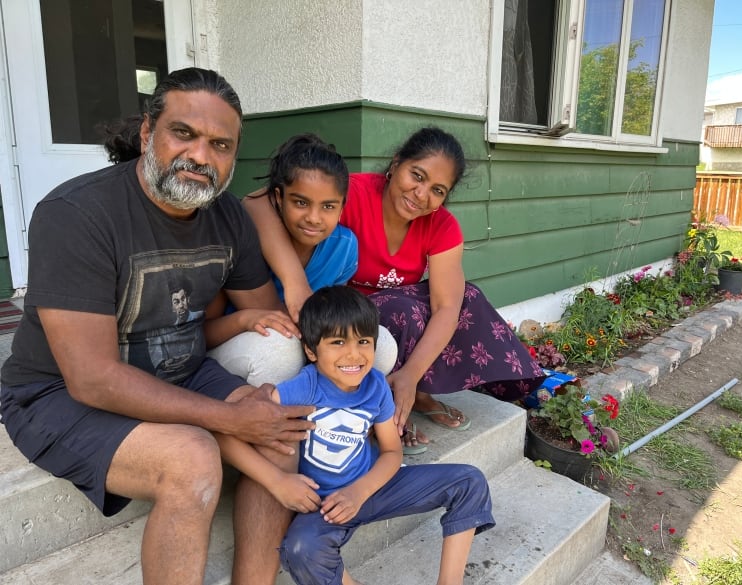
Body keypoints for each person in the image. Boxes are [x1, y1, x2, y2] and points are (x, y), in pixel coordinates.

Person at [0, 68, 315, 585]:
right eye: (184, 133)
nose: (200, 157)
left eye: (220, 144)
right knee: (191, 460)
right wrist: (226, 418)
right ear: (148, 134)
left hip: (181, 370)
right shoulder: (77, 213)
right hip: (56, 394)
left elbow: (268, 318)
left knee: (279, 427)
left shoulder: (228, 217)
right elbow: (93, 378)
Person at [251, 126, 545, 451]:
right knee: (400, 310)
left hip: (389, 321)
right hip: (345, 314)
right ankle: (385, 411)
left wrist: (411, 375)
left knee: (466, 297)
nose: (421, 194)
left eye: (438, 190)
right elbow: (258, 203)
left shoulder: (442, 225)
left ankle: (412, 391)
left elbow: (447, 305)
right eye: (416, 176)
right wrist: (296, 284)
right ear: (396, 164)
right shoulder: (355, 192)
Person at [221, 285, 495, 585]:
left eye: (363, 341)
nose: (354, 354)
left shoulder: (376, 386)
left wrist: (360, 491)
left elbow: (392, 451)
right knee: (302, 548)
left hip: (371, 487)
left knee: (469, 481)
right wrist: (278, 481)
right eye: (338, 342)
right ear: (312, 351)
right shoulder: (301, 388)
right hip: (323, 505)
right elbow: (226, 433)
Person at [205, 133, 397, 385]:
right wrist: (246, 319)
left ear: (342, 207)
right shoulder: (245, 238)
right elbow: (204, 333)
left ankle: (337, 413)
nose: (314, 218)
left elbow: (332, 320)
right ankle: (266, 417)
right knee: (280, 349)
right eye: (301, 202)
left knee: (379, 343)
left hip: (303, 346)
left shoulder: (343, 248)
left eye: (328, 206)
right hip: (241, 348)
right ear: (278, 197)